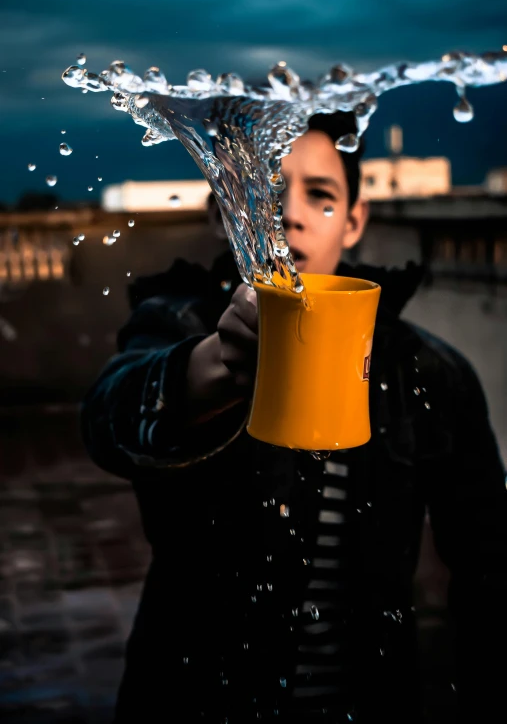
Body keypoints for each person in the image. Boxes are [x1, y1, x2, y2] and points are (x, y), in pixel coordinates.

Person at [81, 111, 507, 724]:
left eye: (322, 195)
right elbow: (106, 417)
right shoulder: (179, 321)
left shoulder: (429, 374)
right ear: (223, 212)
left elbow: (488, 571)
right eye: (269, 193)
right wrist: (209, 373)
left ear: (355, 221)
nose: (292, 213)